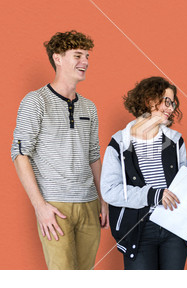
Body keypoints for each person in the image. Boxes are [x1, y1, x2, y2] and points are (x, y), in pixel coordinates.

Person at [11, 30, 109, 269]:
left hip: (89, 205)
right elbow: (20, 154)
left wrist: (103, 201)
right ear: (58, 58)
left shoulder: (89, 107)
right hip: (55, 206)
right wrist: (40, 206)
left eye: (87, 56)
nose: (85, 62)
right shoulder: (35, 101)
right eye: (77, 56)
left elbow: (93, 156)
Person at [100, 76, 187, 270]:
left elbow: (183, 186)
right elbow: (110, 191)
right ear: (150, 100)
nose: (171, 109)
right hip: (139, 231)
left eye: (173, 104)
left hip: (174, 228)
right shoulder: (119, 143)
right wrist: (153, 195)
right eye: (167, 102)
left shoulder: (175, 141)